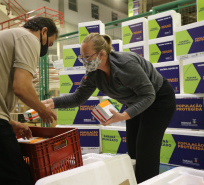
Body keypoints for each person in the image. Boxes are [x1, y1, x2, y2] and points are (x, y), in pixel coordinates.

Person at [43, 33, 176, 183]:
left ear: (102, 54)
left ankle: (147, 181)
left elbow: (148, 95)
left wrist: (123, 116)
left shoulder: (125, 65)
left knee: (146, 150)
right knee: (133, 151)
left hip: (158, 100)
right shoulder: (94, 72)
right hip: (135, 102)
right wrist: (52, 103)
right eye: (82, 58)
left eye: (87, 57)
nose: (85, 62)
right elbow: (78, 97)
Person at [0, 17, 58, 185]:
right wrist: (41, 109)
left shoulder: (8, 36)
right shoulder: (29, 38)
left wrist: (11, 123)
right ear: (43, 31)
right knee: (18, 177)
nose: (46, 48)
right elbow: (21, 87)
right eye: (49, 44)